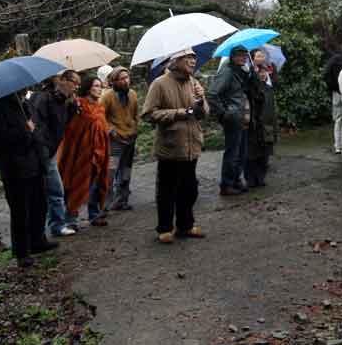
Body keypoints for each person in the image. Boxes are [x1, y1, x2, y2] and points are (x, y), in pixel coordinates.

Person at [142, 47, 209, 243]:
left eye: (194, 57)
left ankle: (185, 225)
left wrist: (201, 99)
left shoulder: (194, 82)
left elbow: (203, 113)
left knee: (189, 189)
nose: (193, 61)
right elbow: (148, 114)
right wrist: (180, 112)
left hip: (191, 145)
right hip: (170, 147)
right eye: (188, 57)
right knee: (167, 190)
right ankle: (164, 228)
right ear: (176, 60)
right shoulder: (159, 84)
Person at [0, 90, 56, 268]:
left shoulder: (24, 105)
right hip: (15, 169)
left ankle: (37, 241)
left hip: (34, 163)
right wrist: (25, 131)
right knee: (20, 211)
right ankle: (22, 252)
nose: (27, 88)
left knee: (39, 205)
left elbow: (36, 130)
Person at [57, 76, 111, 228]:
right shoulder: (78, 105)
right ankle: (71, 219)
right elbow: (72, 128)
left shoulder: (100, 108)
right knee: (75, 183)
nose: (99, 89)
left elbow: (101, 130)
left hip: (97, 152)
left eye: (100, 86)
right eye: (96, 86)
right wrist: (72, 105)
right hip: (79, 151)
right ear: (88, 88)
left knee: (95, 182)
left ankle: (94, 215)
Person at [33, 70, 80, 237]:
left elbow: (63, 124)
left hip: (51, 150)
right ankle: (57, 225)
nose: (77, 87)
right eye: (74, 82)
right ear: (63, 81)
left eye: (78, 84)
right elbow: (39, 127)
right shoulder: (44, 98)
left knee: (51, 190)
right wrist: (43, 151)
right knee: (55, 190)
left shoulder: (63, 101)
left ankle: (55, 224)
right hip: (44, 152)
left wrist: (73, 107)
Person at [208, 45, 253, 196]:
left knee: (241, 152)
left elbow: (241, 90)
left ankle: (236, 180)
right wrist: (224, 113)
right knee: (232, 153)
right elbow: (213, 94)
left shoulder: (239, 71)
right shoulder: (227, 71)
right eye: (239, 55)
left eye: (244, 55)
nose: (243, 57)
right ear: (232, 57)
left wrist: (249, 73)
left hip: (243, 117)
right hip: (233, 118)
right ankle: (226, 185)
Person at [101, 66, 139, 211]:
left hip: (130, 138)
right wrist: (111, 131)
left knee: (126, 172)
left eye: (127, 78)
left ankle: (122, 200)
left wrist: (135, 128)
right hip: (115, 141)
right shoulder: (107, 96)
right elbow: (100, 117)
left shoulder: (133, 94)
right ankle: (104, 205)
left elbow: (136, 114)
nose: (125, 81)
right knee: (110, 172)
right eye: (121, 79)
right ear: (114, 81)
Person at [245, 64, 279, 188]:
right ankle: (250, 179)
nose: (263, 74)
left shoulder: (269, 88)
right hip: (254, 125)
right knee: (252, 154)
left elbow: (272, 108)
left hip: (267, 125)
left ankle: (260, 178)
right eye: (260, 72)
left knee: (264, 154)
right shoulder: (250, 88)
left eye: (264, 72)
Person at [322, 46, 342, 155]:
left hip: (336, 93)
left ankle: (338, 147)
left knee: (338, 120)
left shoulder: (333, 59)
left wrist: (332, 88)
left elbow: (326, 74)